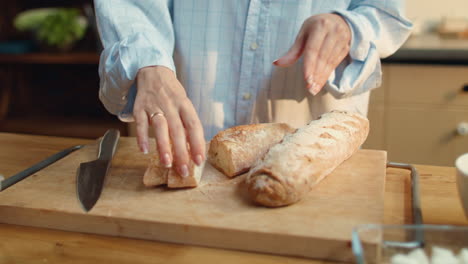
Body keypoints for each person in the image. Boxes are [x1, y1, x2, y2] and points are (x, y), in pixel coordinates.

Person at [95, 0, 412, 178]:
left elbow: (385, 14)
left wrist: (348, 27)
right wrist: (147, 61)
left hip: (316, 156)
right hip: (183, 140)